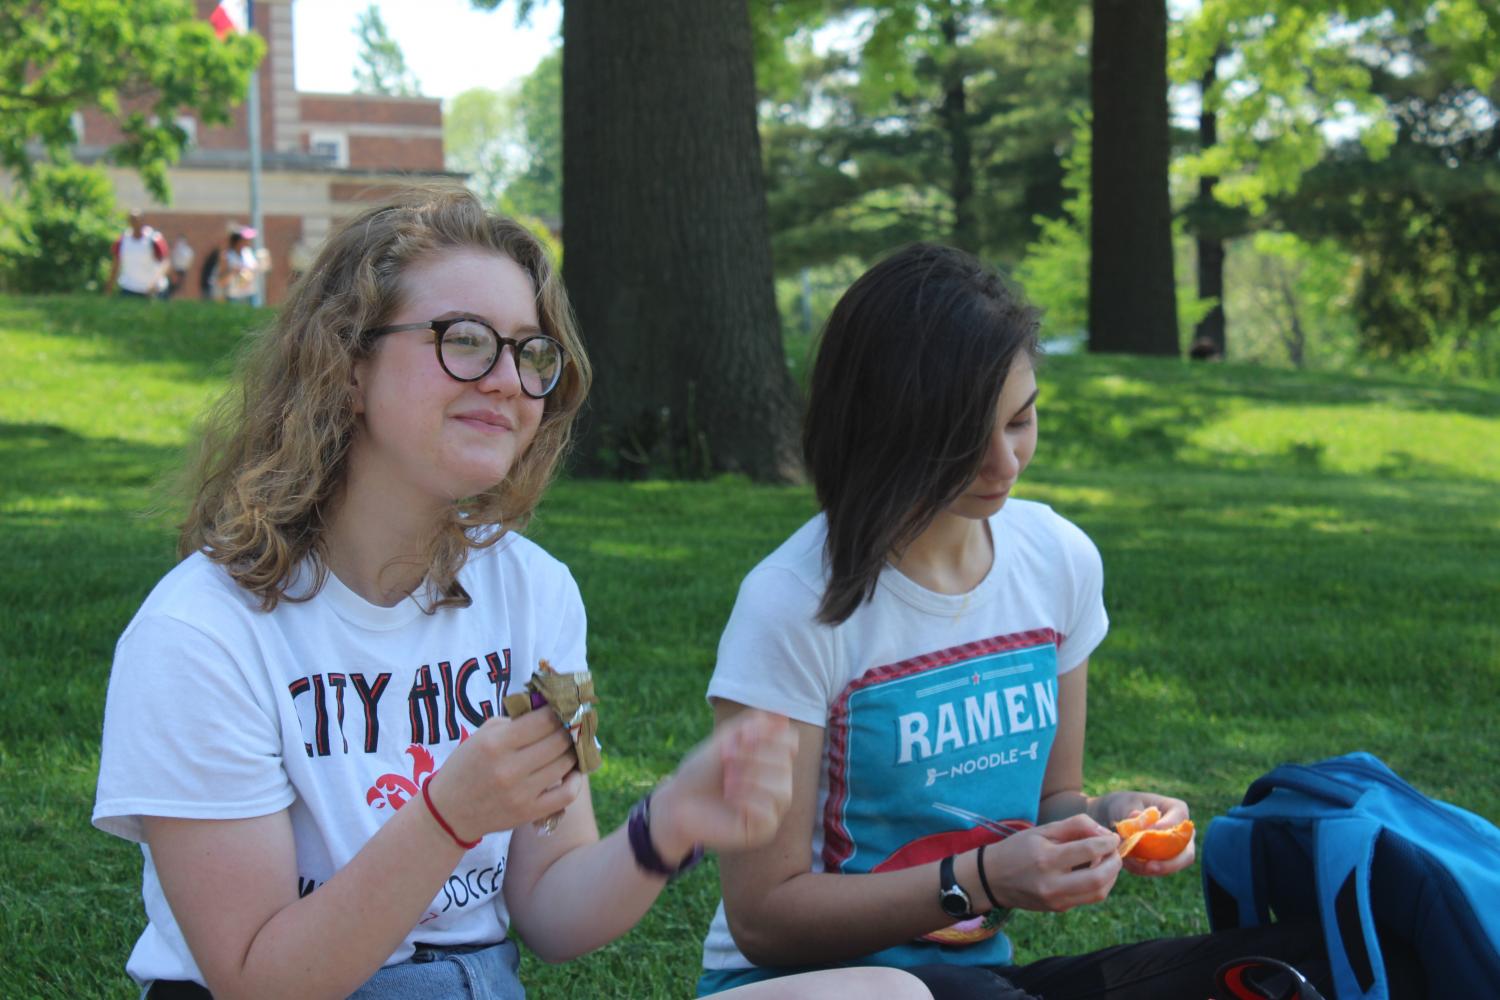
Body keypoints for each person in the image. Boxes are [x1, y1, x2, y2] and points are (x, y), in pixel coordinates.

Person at [92, 187, 928, 1000]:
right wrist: (449, 816)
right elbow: (259, 979)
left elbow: (551, 910)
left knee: (884, 992)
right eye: (464, 340)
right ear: (345, 365)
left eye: (530, 353)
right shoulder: (201, 633)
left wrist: (667, 822)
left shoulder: (534, 593)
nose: (507, 381)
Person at [697, 243, 1427, 999]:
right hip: (807, 984)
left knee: (1318, 967)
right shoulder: (792, 603)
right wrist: (978, 880)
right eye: (962, 439)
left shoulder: (1056, 560)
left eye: (1020, 419)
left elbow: (1054, 803)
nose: (1004, 465)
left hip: (986, 983)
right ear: (885, 425)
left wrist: (1110, 818)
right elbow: (764, 915)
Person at [108, 210, 169, 298]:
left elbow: (165, 263)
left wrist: (155, 282)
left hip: (151, 290)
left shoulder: (154, 239)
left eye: (138, 220)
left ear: (143, 221)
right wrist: (109, 287)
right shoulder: (123, 240)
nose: (135, 223)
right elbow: (116, 264)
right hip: (128, 288)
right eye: (132, 220)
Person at [165, 235, 195, 299]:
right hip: (178, 270)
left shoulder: (178, 250)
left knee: (176, 286)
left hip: (177, 269)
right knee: (175, 286)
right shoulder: (188, 251)